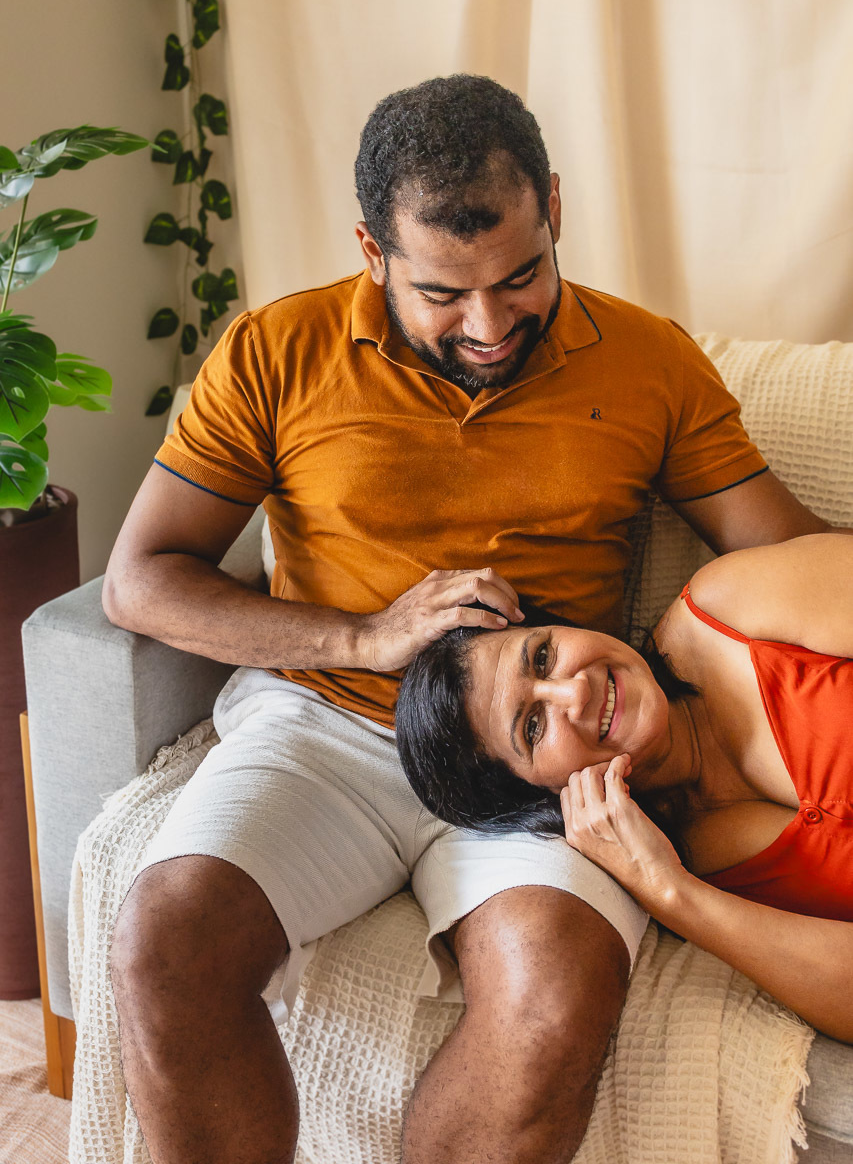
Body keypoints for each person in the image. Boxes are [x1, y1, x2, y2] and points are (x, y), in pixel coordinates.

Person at [103, 74, 845, 1164]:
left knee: (552, 999)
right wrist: (360, 639)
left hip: (541, 763)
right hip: (325, 724)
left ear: (553, 208)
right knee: (165, 941)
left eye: (520, 275)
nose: (489, 324)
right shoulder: (275, 351)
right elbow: (140, 580)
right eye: (442, 293)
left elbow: (785, 555)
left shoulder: (649, 360)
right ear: (373, 250)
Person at [395, 533, 853, 1042]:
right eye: (533, 727)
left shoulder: (730, 607)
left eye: (542, 656)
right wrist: (672, 894)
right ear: (539, 795)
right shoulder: (680, 866)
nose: (575, 690)